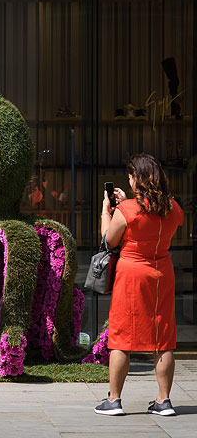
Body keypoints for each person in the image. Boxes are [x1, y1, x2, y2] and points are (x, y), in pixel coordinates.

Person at [94, 153, 184, 416]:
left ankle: (114, 400)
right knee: (163, 336)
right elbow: (155, 216)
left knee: (122, 335)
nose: (129, 180)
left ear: (137, 179)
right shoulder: (173, 207)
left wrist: (106, 211)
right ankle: (164, 401)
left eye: (131, 176)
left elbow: (109, 240)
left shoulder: (126, 210)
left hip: (132, 272)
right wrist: (130, 203)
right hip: (162, 271)